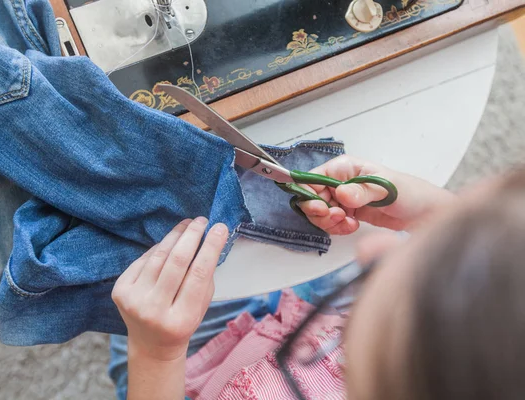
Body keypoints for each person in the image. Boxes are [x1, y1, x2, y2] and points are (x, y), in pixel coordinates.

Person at [111, 155, 525, 399]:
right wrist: (436, 215)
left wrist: (156, 352)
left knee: (128, 266)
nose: (374, 248)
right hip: (308, 329)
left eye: (418, 287)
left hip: (186, 372)